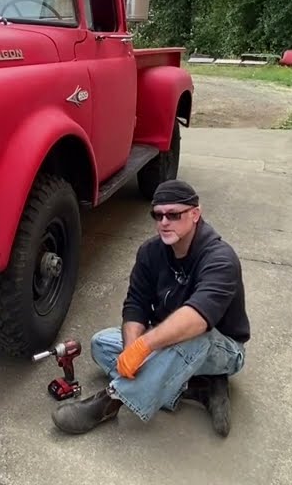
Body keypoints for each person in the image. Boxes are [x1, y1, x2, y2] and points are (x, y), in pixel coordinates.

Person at [51, 179, 250, 436]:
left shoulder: (220, 258)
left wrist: (145, 348)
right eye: (157, 215)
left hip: (221, 348)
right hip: (169, 343)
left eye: (173, 214)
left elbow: (198, 319)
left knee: (190, 336)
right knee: (102, 343)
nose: (164, 222)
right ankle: (201, 388)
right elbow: (136, 304)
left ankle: (110, 401)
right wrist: (133, 346)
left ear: (195, 214)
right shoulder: (150, 252)